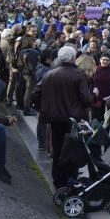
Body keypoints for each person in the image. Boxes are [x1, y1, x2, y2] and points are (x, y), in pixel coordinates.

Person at [39, 45, 92, 188]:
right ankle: (69, 180)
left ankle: (58, 180)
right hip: (72, 119)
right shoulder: (78, 75)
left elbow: (37, 93)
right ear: (73, 58)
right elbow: (86, 100)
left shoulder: (50, 74)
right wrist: (94, 95)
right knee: (71, 151)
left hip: (55, 118)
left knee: (57, 149)